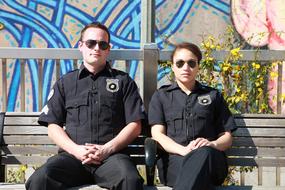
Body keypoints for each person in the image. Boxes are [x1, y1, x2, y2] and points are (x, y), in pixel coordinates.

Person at [25, 22, 145, 190]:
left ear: (108, 49)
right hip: (73, 159)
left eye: (102, 45)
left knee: (130, 180)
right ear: (81, 46)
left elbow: (135, 125)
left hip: (112, 159)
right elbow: (53, 126)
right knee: (40, 179)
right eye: (91, 43)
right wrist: (76, 150)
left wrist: (107, 149)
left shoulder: (124, 82)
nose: (96, 48)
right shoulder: (65, 83)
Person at [148, 42, 237, 190]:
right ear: (172, 66)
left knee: (203, 153)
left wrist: (212, 144)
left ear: (198, 66)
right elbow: (157, 135)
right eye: (180, 63)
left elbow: (227, 138)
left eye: (191, 63)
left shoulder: (213, 96)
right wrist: (184, 151)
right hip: (175, 160)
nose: (186, 68)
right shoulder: (161, 96)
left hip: (211, 160)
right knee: (196, 177)